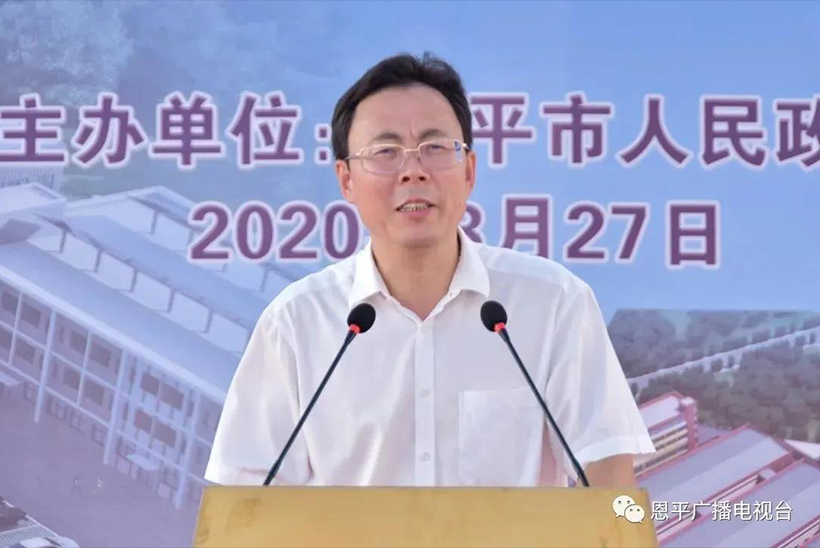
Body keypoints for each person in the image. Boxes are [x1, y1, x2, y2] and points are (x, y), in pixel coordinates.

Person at [204, 52, 654, 488]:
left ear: (469, 170)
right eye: (385, 151)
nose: (413, 171)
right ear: (346, 180)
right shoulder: (297, 323)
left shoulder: (553, 303)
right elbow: (245, 500)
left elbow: (610, 482)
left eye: (435, 148)